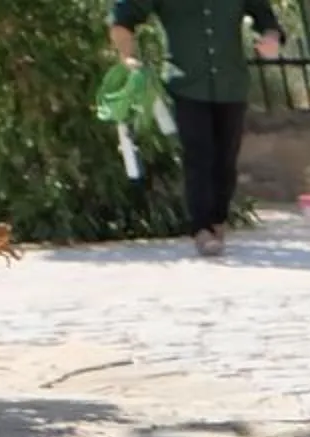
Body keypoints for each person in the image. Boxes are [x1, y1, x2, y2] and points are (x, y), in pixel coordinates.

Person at [106, 0, 282, 256]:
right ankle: (201, 228)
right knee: (198, 153)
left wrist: (271, 38)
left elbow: (266, 19)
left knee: (226, 158)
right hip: (186, 84)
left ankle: (218, 221)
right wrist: (128, 57)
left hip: (231, 83)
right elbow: (123, 18)